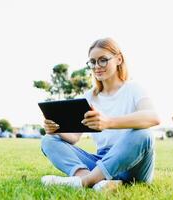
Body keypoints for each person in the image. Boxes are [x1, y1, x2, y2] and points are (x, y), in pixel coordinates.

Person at [40, 37, 160, 191]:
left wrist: (108, 122)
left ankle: (84, 182)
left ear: (118, 59)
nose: (97, 66)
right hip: (101, 162)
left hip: (134, 165)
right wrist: (56, 129)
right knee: (49, 140)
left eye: (103, 60)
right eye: (93, 62)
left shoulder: (133, 89)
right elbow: (74, 137)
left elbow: (153, 117)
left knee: (144, 134)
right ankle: (93, 179)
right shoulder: (90, 96)